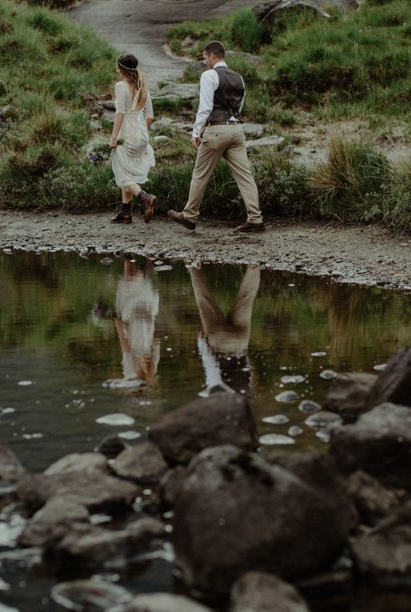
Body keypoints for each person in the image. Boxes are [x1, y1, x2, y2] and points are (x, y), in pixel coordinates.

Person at [167, 41, 265, 233]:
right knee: (245, 176)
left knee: (200, 174)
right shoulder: (240, 78)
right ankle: (255, 218)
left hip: (216, 130)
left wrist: (196, 132)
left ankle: (190, 215)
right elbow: (239, 107)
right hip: (236, 130)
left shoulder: (209, 75)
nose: (204, 62)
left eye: (205, 58)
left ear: (212, 56)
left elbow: (205, 107)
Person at [189, 264, 261, 395]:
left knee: (246, 297)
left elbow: (248, 364)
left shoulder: (244, 386)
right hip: (219, 343)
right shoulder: (216, 386)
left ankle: (254, 266)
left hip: (241, 344)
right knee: (204, 300)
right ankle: (194, 264)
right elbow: (210, 364)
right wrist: (201, 342)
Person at [109, 54, 157, 225]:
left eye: (118, 67)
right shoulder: (143, 87)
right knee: (128, 170)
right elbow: (150, 116)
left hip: (127, 133)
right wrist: (141, 132)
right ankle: (125, 212)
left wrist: (114, 137)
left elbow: (120, 113)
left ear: (122, 69)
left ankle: (145, 197)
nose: (116, 70)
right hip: (142, 134)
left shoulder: (121, 86)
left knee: (122, 172)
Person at [114, 259, 161, 386]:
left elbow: (126, 349)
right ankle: (138, 257)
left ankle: (130, 255)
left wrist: (119, 327)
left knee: (131, 278)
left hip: (134, 318)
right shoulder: (150, 369)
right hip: (142, 317)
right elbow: (156, 342)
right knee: (134, 278)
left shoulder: (131, 373)